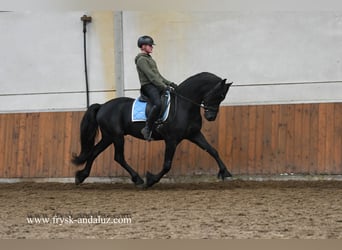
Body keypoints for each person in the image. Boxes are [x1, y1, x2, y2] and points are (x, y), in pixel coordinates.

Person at [135, 35, 177, 140]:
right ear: (143, 46)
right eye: (150, 45)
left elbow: (158, 76)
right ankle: (147, 128)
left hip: (155, 84)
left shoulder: (150, 59)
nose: (152, 47)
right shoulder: (141, 60)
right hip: (148, 86)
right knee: (158, 103)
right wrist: (163, 87)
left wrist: (170, 83)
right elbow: (151, 76)